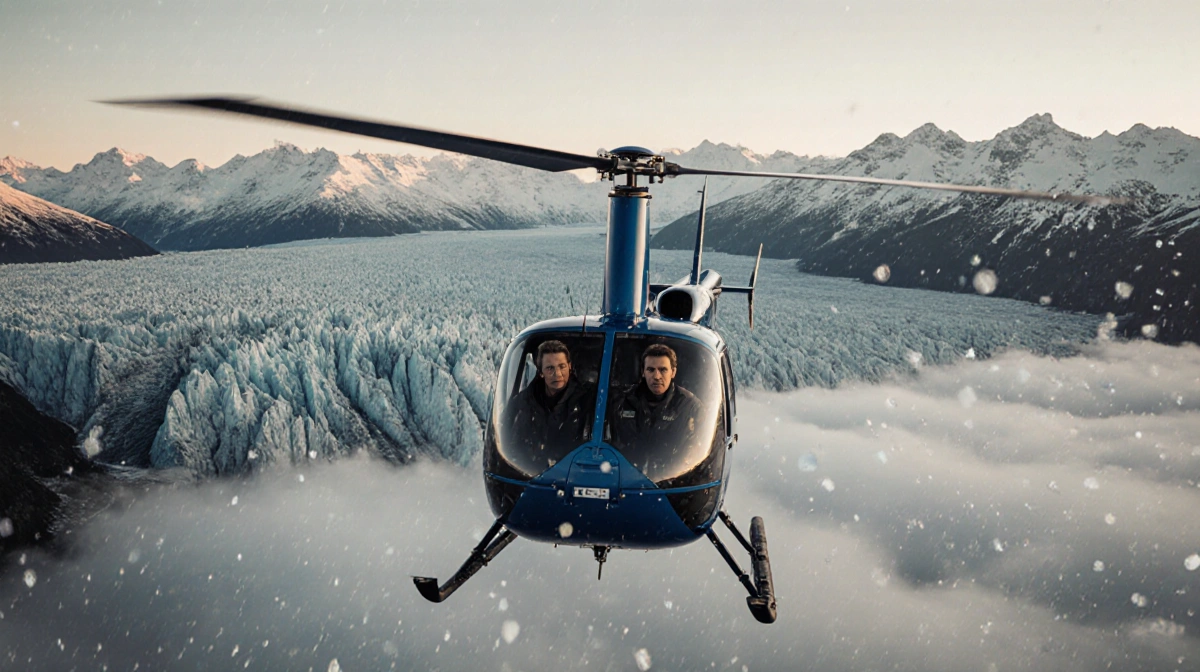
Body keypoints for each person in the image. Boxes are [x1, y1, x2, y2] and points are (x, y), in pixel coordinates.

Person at [606, 343, 704, 467]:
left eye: (663, 370)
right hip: (625, 474)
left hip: (672, 476)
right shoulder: (621, 401)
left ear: (673, 372)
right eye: (651, 370)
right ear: (643, 372)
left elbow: (701, 452)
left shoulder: (690, 406)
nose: (657, 376)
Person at [505, 340, 596, 462]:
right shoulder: (523, 402)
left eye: (562, 366)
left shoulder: (587, 401)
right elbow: (505, 439)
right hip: (530, 471)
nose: (557, 374)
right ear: (540, 372)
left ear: (569, 366)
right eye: (550, 368)